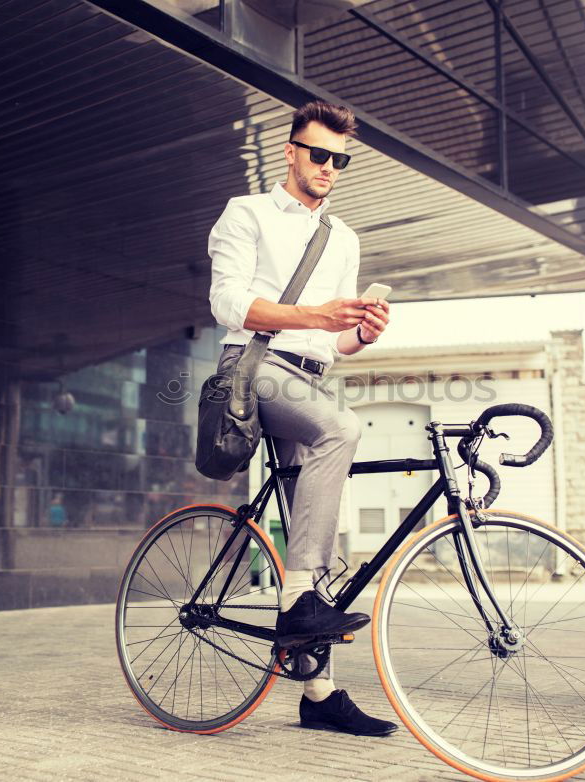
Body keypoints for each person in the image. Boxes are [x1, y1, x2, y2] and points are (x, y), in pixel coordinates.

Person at [208, 100, 396, 736]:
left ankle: (318, 694)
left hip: (309, 377)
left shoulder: (343, 237)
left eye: (340, 160)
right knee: (342, 430)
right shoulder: (248, 212)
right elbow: (227, 301)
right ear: (290, 150)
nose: (329, 168)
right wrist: (316, 316)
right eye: (319, 154)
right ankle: (296, 602)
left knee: (320, 541)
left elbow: (332, 346)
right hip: (254, 366)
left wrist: (360, 333)